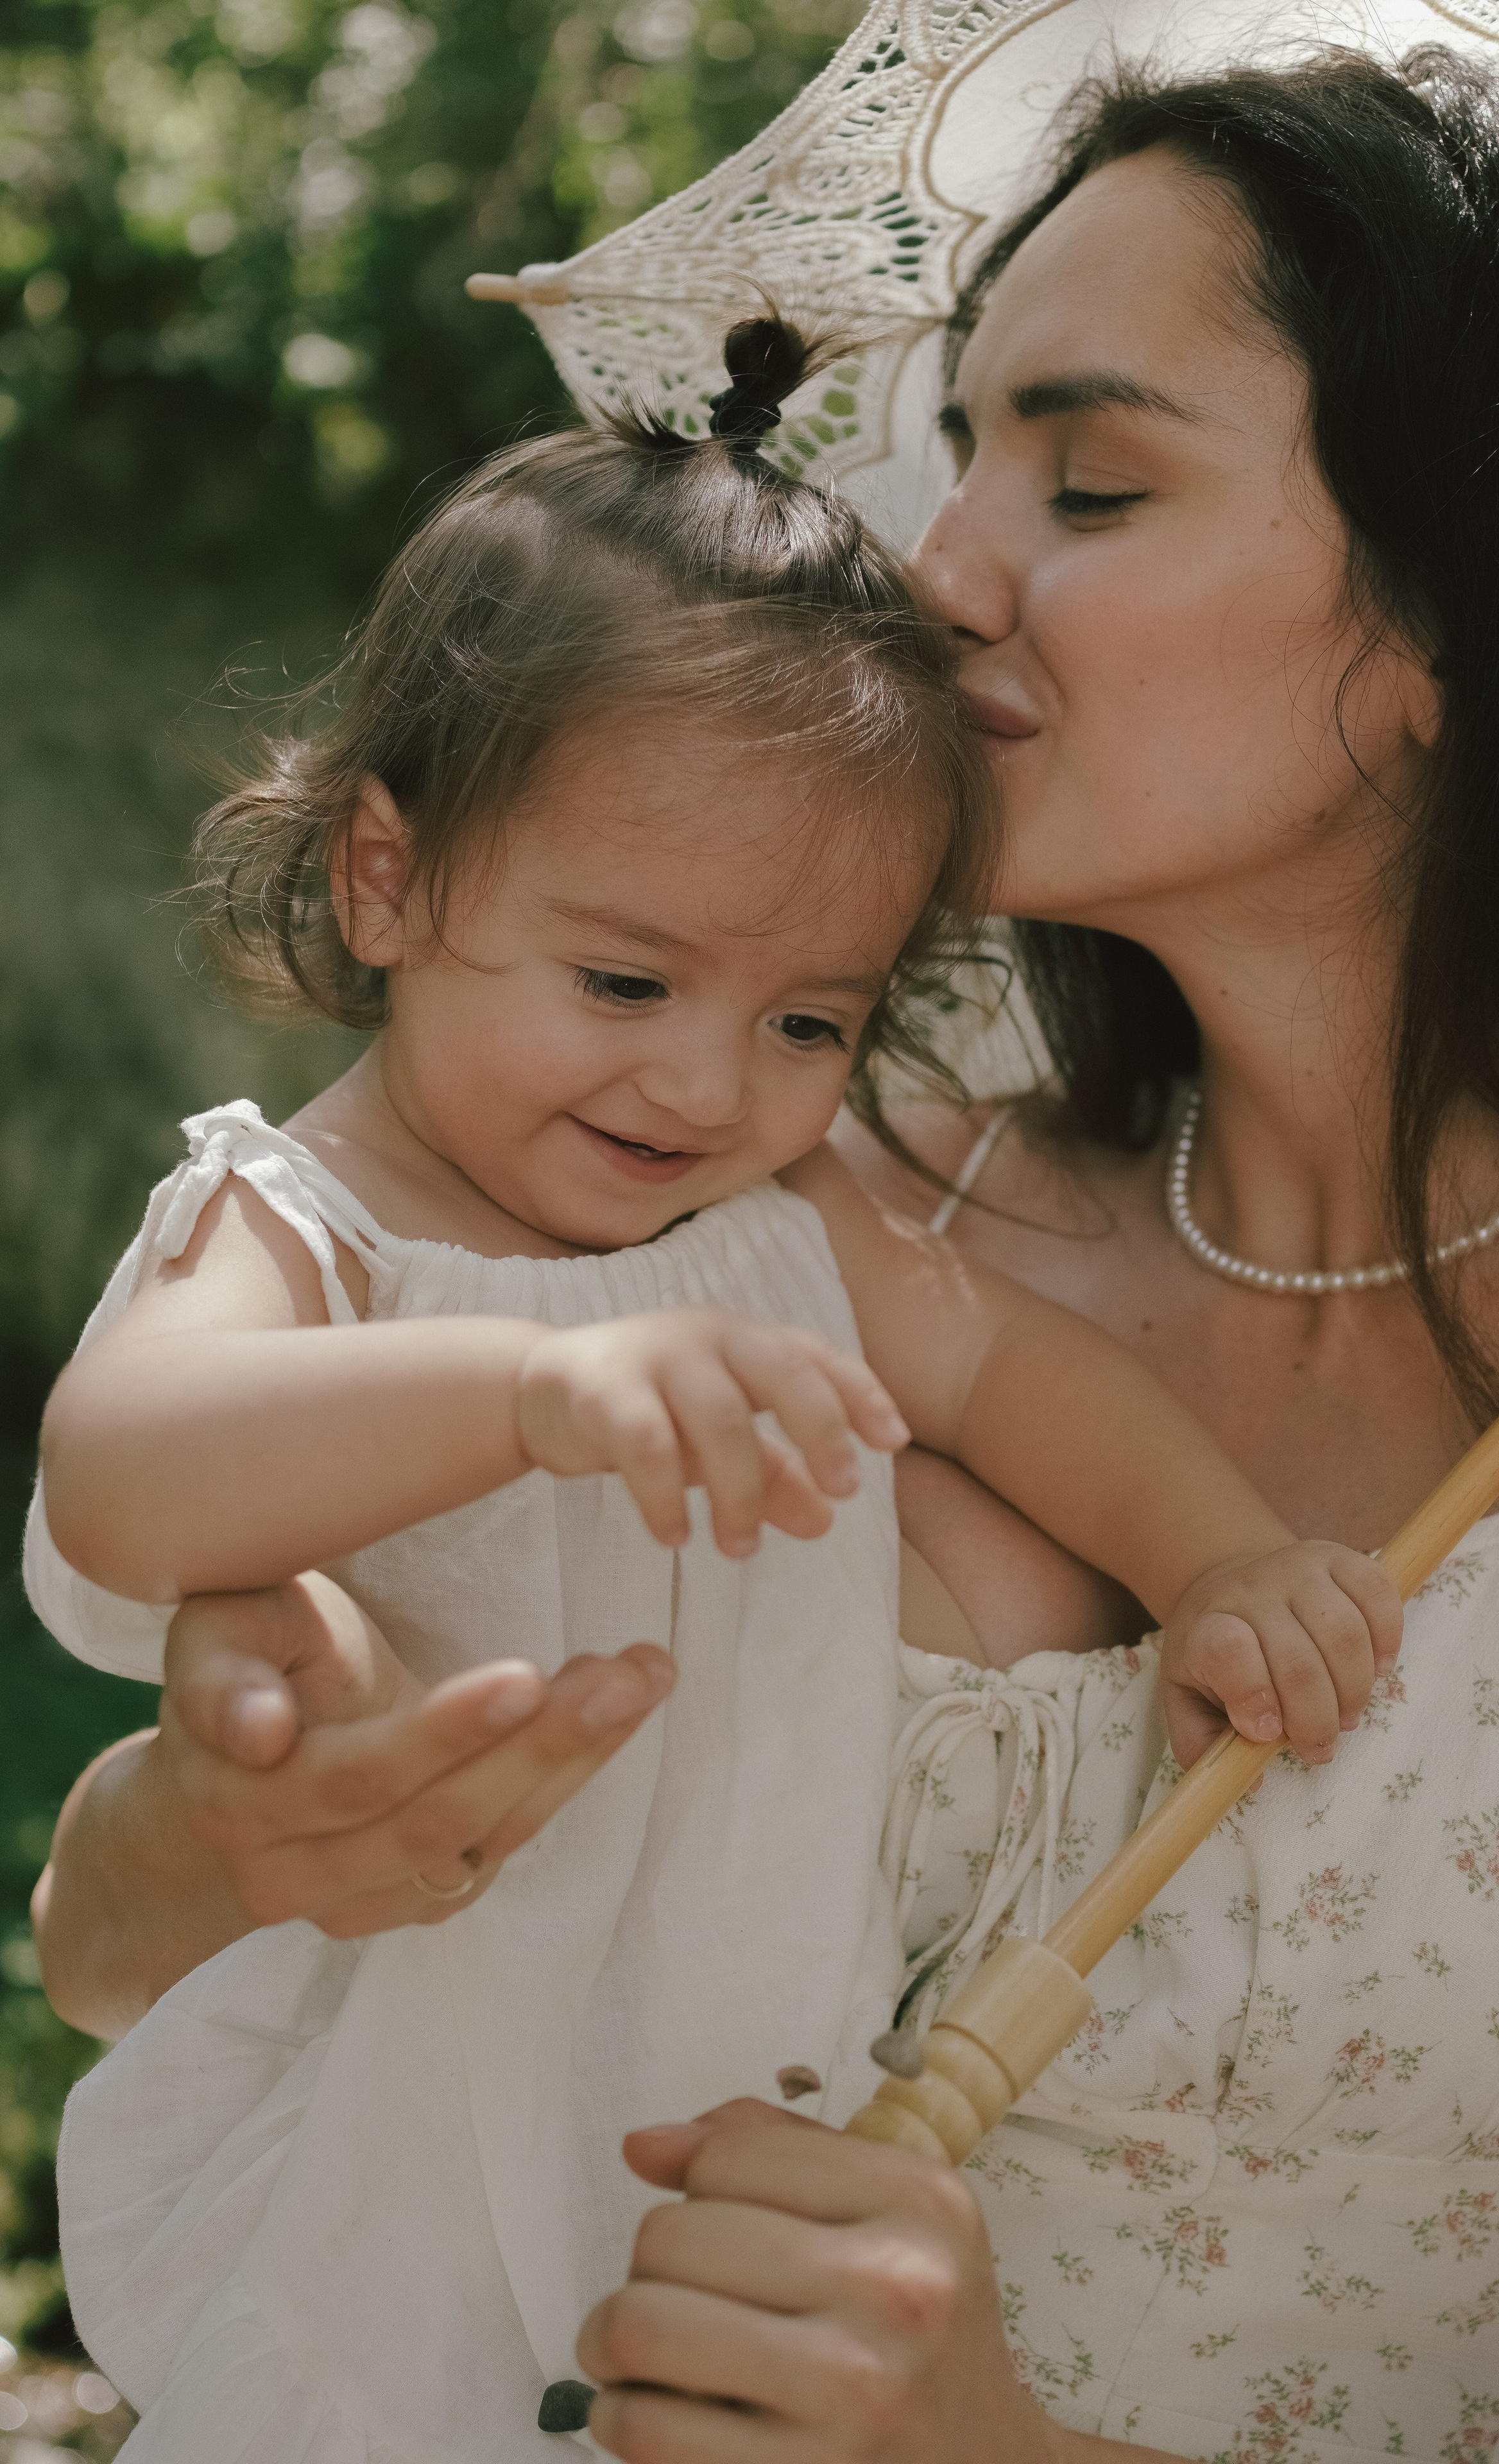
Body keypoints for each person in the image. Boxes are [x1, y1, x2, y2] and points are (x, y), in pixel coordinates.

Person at [24, 313, 1396, 2460]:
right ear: (390, 876)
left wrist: (1215, 1557)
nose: (706, 1081)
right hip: (370, 2091)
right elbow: (121, 1479)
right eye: (629, 980)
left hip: (717, 2068)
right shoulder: (302, 1232)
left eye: (811, 1020)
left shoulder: (783, 1220)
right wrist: (531, 1394)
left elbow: (1018, 1373)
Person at [547, 45, 1499, 2464]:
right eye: (960, 452)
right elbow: (154, 1935)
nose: (939, 572)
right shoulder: (781, 1196)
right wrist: (199, 1831)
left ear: (1478, 596)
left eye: (1096, 479)